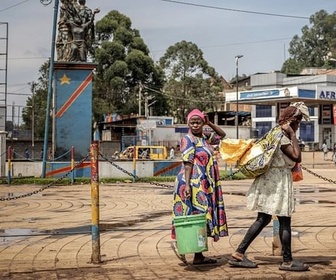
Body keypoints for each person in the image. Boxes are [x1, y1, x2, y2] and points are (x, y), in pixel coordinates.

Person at [228, 102, 310, 272]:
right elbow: (297, 157)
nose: (298, 125)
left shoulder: (273, 132)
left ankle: (238, 253)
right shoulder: (283, 136)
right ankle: (287, 261)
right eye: (298, 121)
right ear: (290, 120)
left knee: (263, 218)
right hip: (278, 181)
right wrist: (293, 136)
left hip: (268, 180)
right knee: (284, 219)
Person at [171, 109, 228, 265]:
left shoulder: (205, 137)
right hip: (192, 183)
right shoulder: (187, 139)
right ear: (188, 123)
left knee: (200, 217)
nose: (195, 125)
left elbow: (222, 135)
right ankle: (181, 245)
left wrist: (210, 123)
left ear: (203, 123)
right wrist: (188, 185)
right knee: (192, 215)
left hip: (203, 183)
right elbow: (188, 164)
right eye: (192, 122)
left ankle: (198, 256)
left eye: (198, 122)